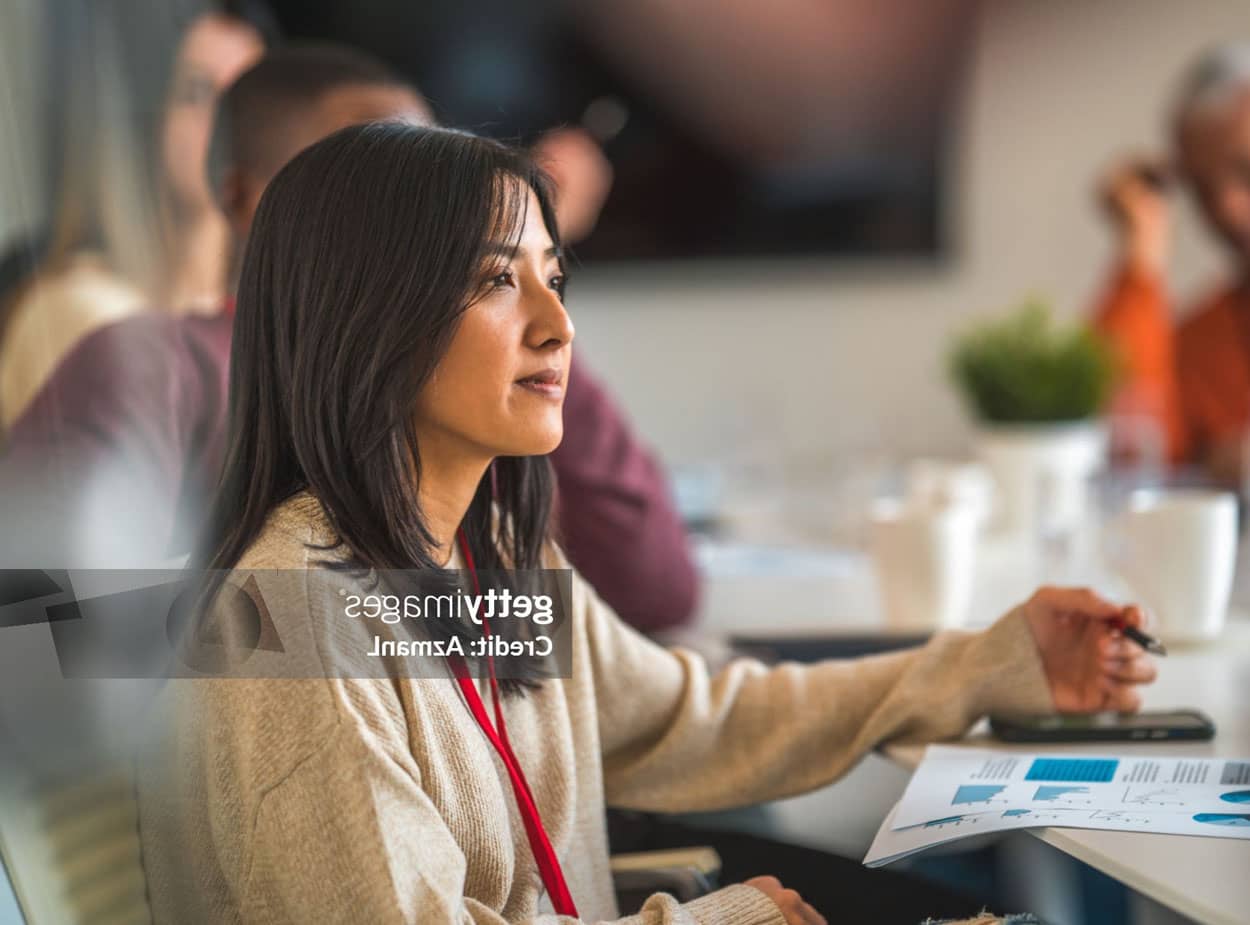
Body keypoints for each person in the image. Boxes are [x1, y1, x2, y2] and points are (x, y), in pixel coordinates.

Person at [135, 121, 1156, 924]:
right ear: (364, 311)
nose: (557, 323)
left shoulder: (488, 562)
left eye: (555, 276)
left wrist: (988, 662)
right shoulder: (291, 625)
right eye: (497, 278)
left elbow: (692, 718)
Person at [1, 44, 698, 631]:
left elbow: (654, 587)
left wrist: (519, 296)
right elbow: (34, 620)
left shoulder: (446, 370)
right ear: (248, 200)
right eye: (365, 182)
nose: (425, 221)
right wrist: (433, 633)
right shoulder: (152, 366)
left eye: (434, 182)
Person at [0, 4, 263, 431]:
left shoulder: (252, 311)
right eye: (197, 92)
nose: (229, 122)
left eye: (249, 95)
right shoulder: (82, 311)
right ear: (143, 112)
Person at [1093, 44, 1250, 482]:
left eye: (1247, 171)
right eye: (1202, 189)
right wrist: (1140, 253)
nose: (1228, 210)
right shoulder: (1201, 340)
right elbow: (1126, 465)